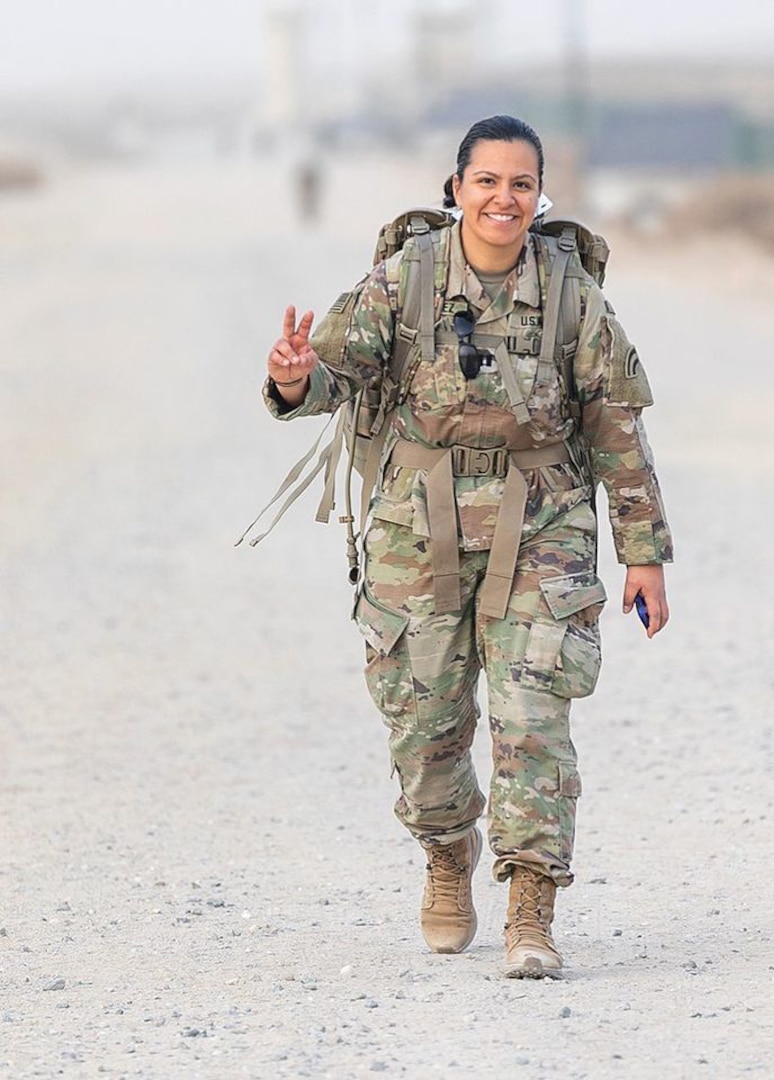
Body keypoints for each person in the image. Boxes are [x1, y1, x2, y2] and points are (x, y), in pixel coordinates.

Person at [263, 115, 673, 979]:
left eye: (520, 183)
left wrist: (642, 552)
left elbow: (614, 426)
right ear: (455, 187)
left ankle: (532, 904)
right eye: (486, 181)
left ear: (538, 194)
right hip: (419, 522)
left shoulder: (572, 296)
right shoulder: (402, 280)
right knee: (423, 722)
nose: (503, 198)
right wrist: (296, 377)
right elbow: (335, 379)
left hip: (544, 520)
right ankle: (447, 855)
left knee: (533, 720)